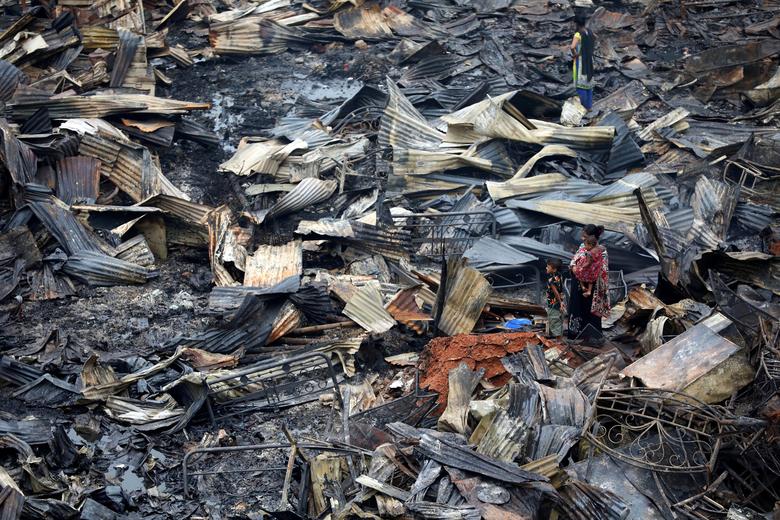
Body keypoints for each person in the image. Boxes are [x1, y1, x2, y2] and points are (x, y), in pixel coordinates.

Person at [567, 224, 610, 342]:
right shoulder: (583, 246)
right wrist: (574, 267)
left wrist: (584, 270)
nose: (582, 238)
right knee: (577, 307)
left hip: (594, 285)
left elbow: (602, 268)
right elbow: (575, 260)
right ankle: (576, 334)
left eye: (584, 236)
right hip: (579, 282)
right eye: (582, 236)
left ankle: (593, 337)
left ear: (592, 238)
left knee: (591, 311)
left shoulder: (602, 250)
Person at [570, 14, 595, 111]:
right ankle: (589, 107)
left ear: (576, 23)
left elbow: (572, 47)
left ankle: (584, 107)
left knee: (580, 85)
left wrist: (575, 54)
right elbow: (594, 38)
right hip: (590, 60)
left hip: (581, 61)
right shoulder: (590, 31)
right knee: (588, 84)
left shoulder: (578, 34)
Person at [545, 258, 566, 340]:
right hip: (559, 301)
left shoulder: (551, 280)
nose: (546, 268)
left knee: (554, 319)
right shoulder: (559, 275)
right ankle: (558, 337)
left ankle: (559, 340)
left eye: (548, 267)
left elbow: (556, 292)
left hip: (554, 303)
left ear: (554, 269)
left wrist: (560, 303)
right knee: (559, 318)